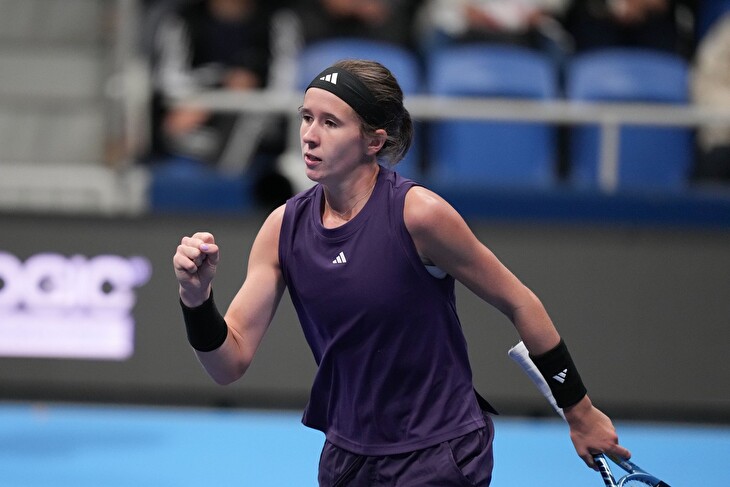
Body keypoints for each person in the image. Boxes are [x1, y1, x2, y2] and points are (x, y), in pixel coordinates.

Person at [172, 59, 630, 485]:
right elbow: (228, 364)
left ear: (374, 141)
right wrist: (196, 298)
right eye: (306, 117)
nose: (309, 136)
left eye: (330, 123)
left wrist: (580, 413)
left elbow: (519, 302)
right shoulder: (282, 228)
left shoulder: (419, 214)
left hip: (440, 452)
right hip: (346, 458)